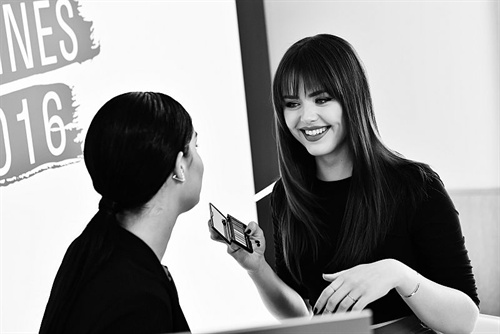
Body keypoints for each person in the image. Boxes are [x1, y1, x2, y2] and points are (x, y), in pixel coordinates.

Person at [210, 34, 480, 333]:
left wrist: (398, 275)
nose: (306, 116)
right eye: (292, 103)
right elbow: (301, 313)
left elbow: (465, 320)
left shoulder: (415, 185)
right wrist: (257, 267)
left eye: (322, 99)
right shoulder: (286, 196)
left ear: (351, 97)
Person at [40, 92, 203, 333]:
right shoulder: (140, 302)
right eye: (196, 146)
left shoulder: (93, 249)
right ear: (180, 166)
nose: (201, 158)